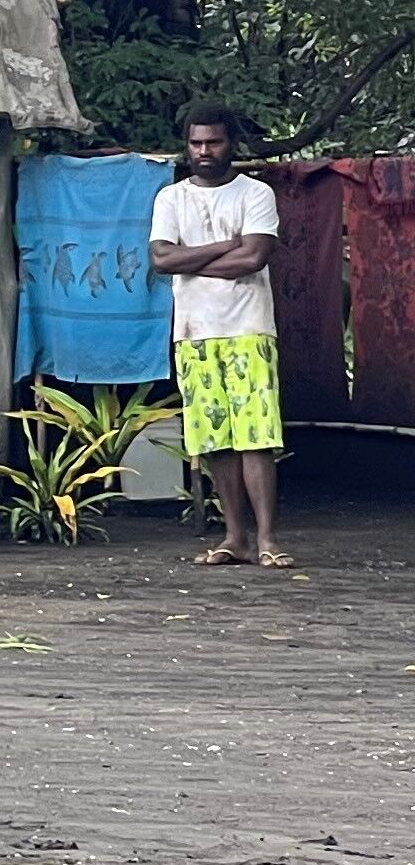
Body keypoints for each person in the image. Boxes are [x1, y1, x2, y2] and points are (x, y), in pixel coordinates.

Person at [151, 105, 287, 569]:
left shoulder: (256, 193)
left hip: (249, 329)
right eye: (196, 143)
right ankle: (234, 538)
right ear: (186, 146)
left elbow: (253, 259)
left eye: (214, 142)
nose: (204, 151)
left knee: (256, 438)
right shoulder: (171, 199)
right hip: (194, 335)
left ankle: (267, 539)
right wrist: (227, 245)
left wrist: (191, 260)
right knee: (215, 442)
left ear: (231, 144)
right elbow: (161, 260)